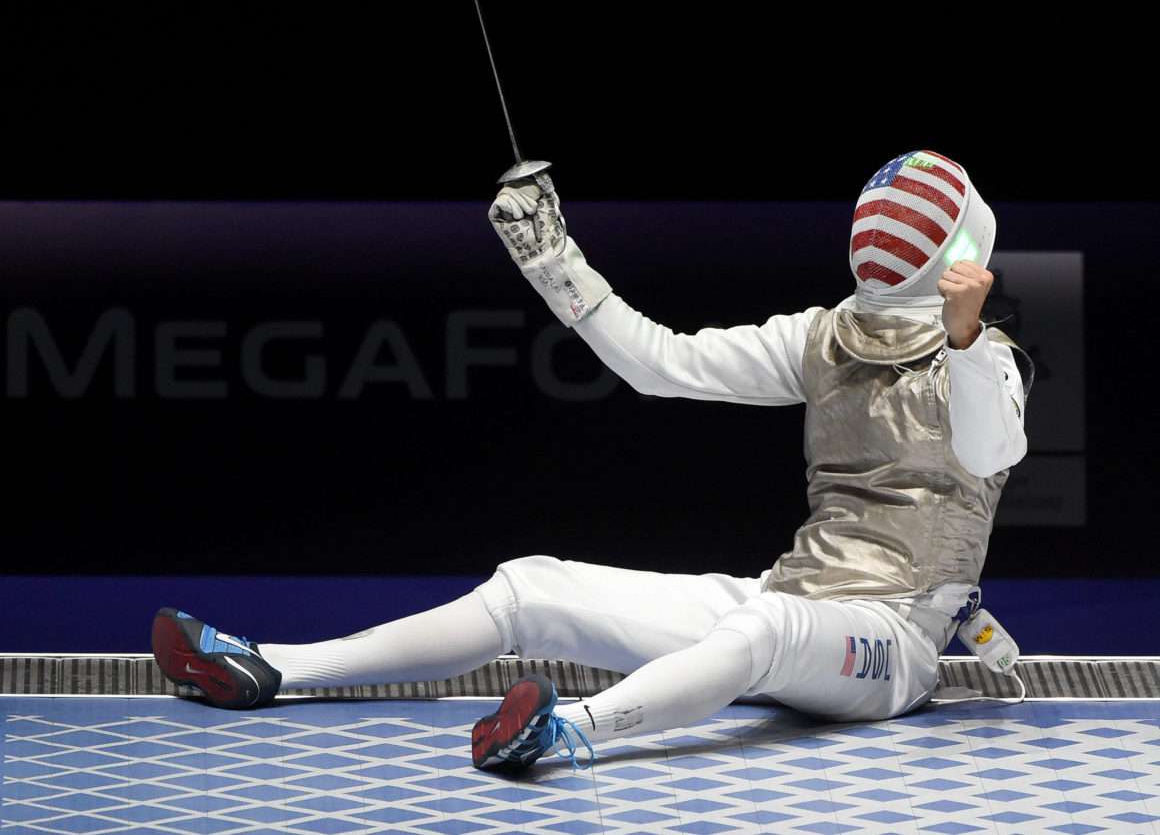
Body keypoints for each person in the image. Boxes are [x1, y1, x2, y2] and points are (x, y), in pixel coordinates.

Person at [152, 150, 1028, 773]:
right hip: (799, 598)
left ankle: (563, 731)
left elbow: (991, 449)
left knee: (764, 631)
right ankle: (278, 666)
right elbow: (659, 362)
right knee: (532, 587)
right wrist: (551, 260)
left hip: (894, 644)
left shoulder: (990, 359)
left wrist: (962, 341)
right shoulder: (822, 337)